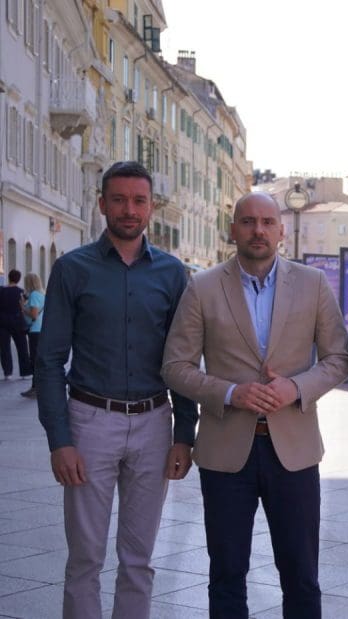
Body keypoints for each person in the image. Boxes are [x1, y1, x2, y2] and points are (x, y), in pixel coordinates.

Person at [161, 191, 348, 618]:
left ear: (281, 230)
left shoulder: (312, 284)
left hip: (294, 452)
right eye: (248, 222)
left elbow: (339, 358)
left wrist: (296, 388)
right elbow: (175, 366)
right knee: (227, 575)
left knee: (301, 575)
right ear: (233, 230)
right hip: (226, 453)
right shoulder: (203, 287)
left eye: (267, 222)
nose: (258, 230)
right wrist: (231, 393)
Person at [36, 161, 198, 619]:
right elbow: (48, 361)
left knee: (139, 559)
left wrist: (184, 435)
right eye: (120, 199)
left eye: (139, 200)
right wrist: (60, 441)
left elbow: (183, 361)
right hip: (90, 423)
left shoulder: (173, 274)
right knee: (85, 558)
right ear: (102, 203)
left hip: (154, 423)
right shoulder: (72, 269)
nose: (129, 209)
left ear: (151, 207)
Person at [0, 268, 31, 380]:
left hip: (3, 322)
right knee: (22, 347)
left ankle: (7, 373)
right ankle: (25, 373)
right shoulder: (21, 292)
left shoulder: (1, 290)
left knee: (4, 348)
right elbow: (25, 305)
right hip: (17, 321)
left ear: (9, 277)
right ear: (18, 279)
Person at [20, 272, 45, 398]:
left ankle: (36, 388)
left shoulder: (34, 295)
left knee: (35, 360)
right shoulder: (41, 294)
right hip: (41, 330)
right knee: (37, 360)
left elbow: (34, 315)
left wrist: (22, 307)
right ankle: (37, 387)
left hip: (35, 330)